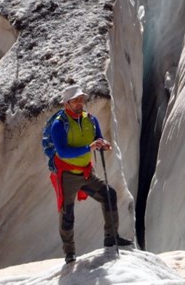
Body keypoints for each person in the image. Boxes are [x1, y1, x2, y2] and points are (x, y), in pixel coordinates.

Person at [49, 85, 132, 264]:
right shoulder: (59, 125)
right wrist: (89, 147)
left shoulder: (91, 120)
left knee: (108, 195)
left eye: (81, 99)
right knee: (67, 213)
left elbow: (98, 139)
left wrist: (102, 144)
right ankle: (69, 253)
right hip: (67, 175)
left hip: (86, 172)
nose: (80, 103)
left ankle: (111, 237)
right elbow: (62, 152)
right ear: (66, 104)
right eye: (75, 100)